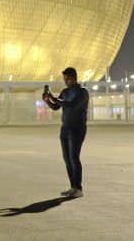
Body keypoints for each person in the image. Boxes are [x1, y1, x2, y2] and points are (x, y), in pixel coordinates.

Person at [42, 67, 89, 198]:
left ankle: (78, 189)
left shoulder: (82, 92)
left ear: (74, 78)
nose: (65, 81)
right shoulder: (65, 92)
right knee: (67, 158)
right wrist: (47, 100)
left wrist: (53, 97)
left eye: (67, 79)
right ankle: (73, 187)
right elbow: (56, 107)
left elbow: (71, 104)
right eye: (64, 79)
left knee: (74, 157)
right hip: (65, 128)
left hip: (77, 128)